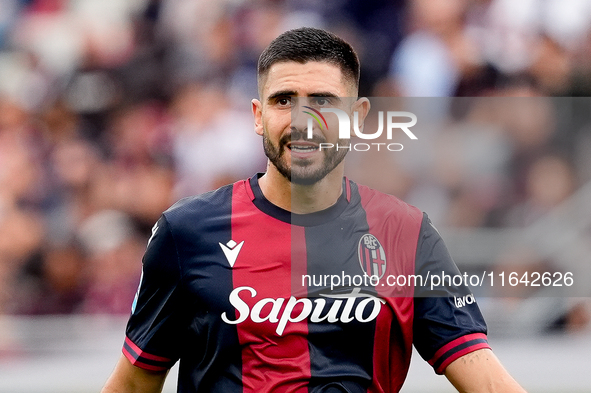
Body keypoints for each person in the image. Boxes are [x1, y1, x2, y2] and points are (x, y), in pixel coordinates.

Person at [101, 27, 526, 393]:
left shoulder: (407, 233)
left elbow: (486, 379)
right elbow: (134, 383)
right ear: (257, 115)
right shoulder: (186, 232)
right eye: (284, 100)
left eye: (323, 100)